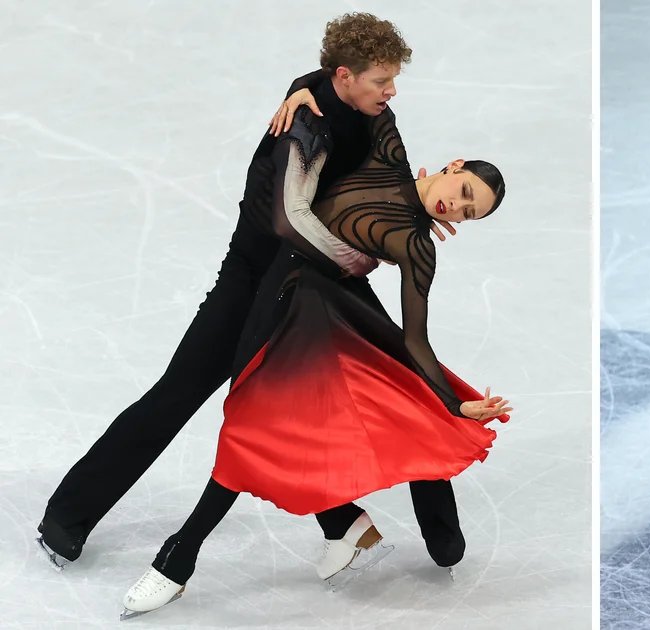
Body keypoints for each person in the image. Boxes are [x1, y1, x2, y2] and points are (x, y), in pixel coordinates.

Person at [37, 13, 467, 584]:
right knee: (185, 392)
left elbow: (386, 174)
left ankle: (413, 527)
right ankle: (67, 516)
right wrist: (364, 255)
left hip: (325, 279)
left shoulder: (364, 111)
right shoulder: (302, 129)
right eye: (382, 80)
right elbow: (290, 221)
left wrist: (412, 217)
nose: (392, 92)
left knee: (400, 377)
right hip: (258, 276)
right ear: (343, 76)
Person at [120, 101, 511, 617]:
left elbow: (416, 339)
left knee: (247, 433)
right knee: (259, 429)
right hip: (272, 297)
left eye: (468, 213)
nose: (455, 208)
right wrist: (303, 90)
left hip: (318, 323)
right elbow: (359, 90)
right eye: (463, 193)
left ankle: (175, 561)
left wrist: (454, 406)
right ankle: (345, 528)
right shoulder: (388, 155)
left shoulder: (418, 246)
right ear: (454, 166)